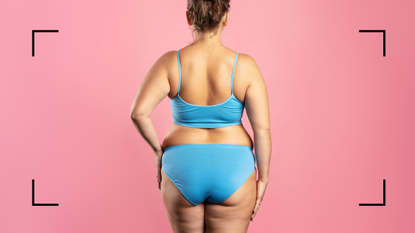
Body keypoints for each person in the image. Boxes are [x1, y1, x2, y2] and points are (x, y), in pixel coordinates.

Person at [130, 0, 271, 232]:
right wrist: (263, 178)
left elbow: (138, 113)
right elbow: (262, 131)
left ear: (189, 18)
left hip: (182, 166)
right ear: (225, 17)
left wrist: (158, 151)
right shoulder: (245, 66)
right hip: (234, 168)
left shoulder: (171, 63)